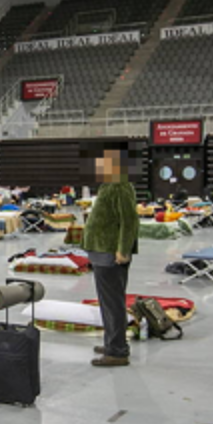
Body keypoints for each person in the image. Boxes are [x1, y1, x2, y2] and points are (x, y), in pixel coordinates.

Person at [81, 147, 140, 368]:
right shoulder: (108, 185)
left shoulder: (120, 185)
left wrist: (123, 250)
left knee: (113, 303)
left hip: (110, 253)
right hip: (100, 251)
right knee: (107, 303)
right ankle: (112, 343)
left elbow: (129, 221)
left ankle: (117, 351)